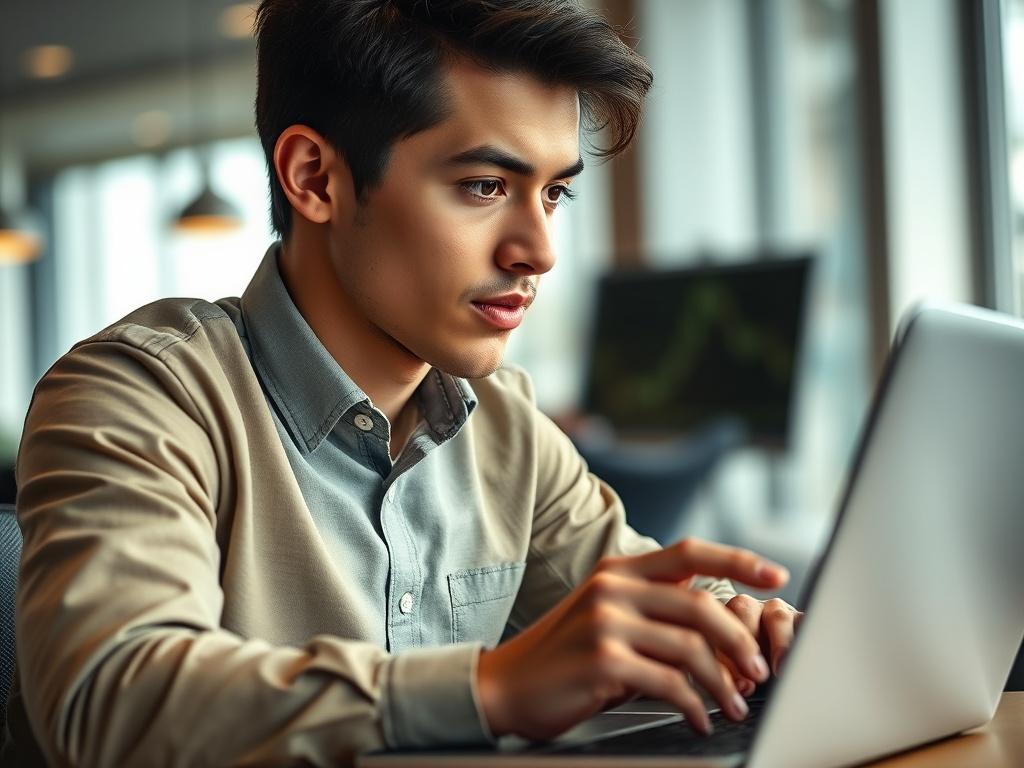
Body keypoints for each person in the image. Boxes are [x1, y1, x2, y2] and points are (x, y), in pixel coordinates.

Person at [5, 1, 801, 765]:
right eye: (485, 186)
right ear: (315, 178)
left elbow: (649, 607)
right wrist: (489, 688)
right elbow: (112, 703)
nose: (540, 250)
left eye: (554, 192)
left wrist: (750, 630)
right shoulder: (139, 395)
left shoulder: (505, 425)